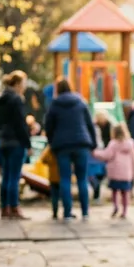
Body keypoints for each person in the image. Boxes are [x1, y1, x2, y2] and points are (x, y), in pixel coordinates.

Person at [44, 78, 97, 220]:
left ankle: (67, 213)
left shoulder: (54, 104)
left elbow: (48, 126)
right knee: (82, 179)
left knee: (65, 179)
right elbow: (89, 124)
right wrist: (93, 144)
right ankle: (85, 212)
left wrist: (51, 142)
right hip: (81, 144)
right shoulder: (80, 102)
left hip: (62, 146)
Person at [0, 70, 32, 220]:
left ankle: (5, 208)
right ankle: (14, 208)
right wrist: (27, 144)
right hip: (16, 142)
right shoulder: (16, 100)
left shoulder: (1, 99)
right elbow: (20, 124)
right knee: (14, 177)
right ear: (17, 84)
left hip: (3, 141)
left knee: (6, 176)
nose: (24, 88)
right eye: (23, 84)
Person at [93, 123, 134, 219]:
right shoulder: (131, 143)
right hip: (127, 174)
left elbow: (106, 155)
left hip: (115, 173)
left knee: (115, 192)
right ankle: (125, 211)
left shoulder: (113, 144)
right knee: (125, 193)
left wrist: (95, 153)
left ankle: (116, 207)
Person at [89, 110, 113, 201]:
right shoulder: (94, 127)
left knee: (100, 173)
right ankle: (96, 190)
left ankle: (97, 190)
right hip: (98, 151)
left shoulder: (109, 126)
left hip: (103, 150)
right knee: (95, 173)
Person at [39, 147, 62, 220]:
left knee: (54, 196)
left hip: (53, 176)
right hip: (63, 176)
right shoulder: (64, 147)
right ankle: (67, 212)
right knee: (65, 194)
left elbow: (43, 159)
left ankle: (55, 213)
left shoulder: (50, 148)